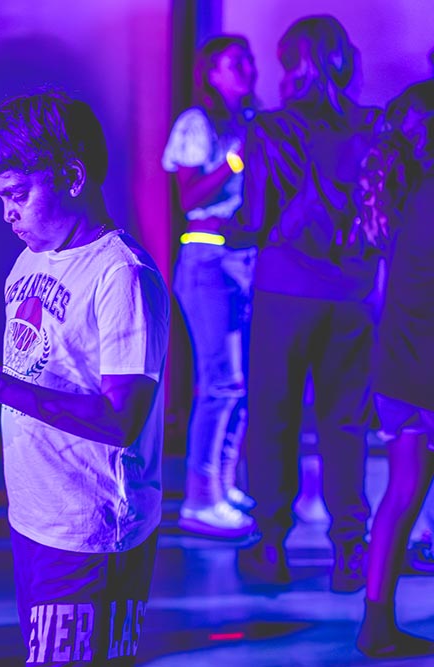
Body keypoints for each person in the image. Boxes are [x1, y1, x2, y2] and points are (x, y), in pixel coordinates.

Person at [0, 90, 170, 666]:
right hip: (38, 514)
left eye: (18, 195)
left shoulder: (122, 275)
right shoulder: (29, 260)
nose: (8, 214)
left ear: (72, 176)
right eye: (1, 199)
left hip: (92, 527)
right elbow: (43, 371)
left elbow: (121, 419)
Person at [236, 15, 379, 593]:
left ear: (292, 64)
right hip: (353, 293)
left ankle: (271, 543)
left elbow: (255, 216)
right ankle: (350, 550)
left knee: (274, 415)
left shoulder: (270, 129)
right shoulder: (373, 126)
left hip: (284, 289)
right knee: (346, 421)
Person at [161, 35, 258, 538]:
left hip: (247, 257)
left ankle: (222, 485)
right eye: (234, 63)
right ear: (212, 73)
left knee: (241, 385)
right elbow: (189, 196)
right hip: (208, 259)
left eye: (248, 60)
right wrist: (235, 161)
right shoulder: (196, 123)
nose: (246, 69)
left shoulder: (253, 121)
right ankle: (200, 499)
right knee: (220, 382)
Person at [354, 79, 434, 658]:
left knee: (401, 493)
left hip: (399, 368)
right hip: (426, 366)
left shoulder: (404, 195)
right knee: (404, 493)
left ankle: (376, 623)